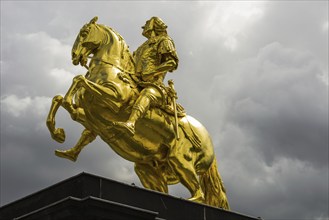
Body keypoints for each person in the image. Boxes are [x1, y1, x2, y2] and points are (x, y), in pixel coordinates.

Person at [115, 16, 179, 135]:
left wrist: (153, 72)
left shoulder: (164, 40)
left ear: (153, 27)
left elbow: (172, 62)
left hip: (154, 84)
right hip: (136, 80)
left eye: (147, 25)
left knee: (147, 94)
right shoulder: (143, 46)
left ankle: (131, 123)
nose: (144, 29)